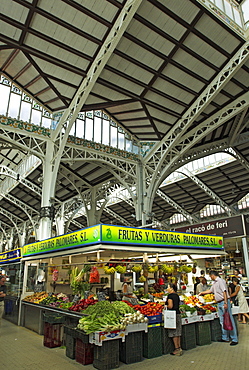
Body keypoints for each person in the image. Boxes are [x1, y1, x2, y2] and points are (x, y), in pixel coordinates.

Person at [199, 270, 238, 346]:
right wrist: (202, 293)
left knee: (229, 319)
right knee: (222, 321)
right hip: (219, 302)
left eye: (210, 276)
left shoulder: (220, 281)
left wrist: (226, 302)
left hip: (224, 302)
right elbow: (210, 290)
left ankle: (234, 339)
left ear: (213, 275)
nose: (210, 277)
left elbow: (224, 291)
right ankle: (225, 337)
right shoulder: (214, 283)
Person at [165, 283, 182, 356]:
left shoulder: (170, 296)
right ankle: (179, 348)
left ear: (171, 288)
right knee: (178, 333)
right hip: (178, 314)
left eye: (168, 287)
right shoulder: (177, 295)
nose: (167, 289)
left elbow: (170, 306)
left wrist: (165, 305)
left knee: (174, 333)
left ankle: (176, 349)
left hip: (172, 316)